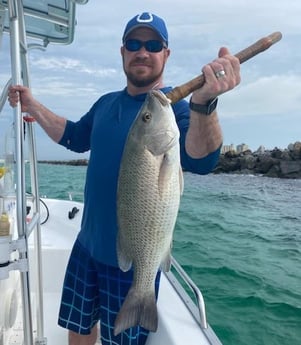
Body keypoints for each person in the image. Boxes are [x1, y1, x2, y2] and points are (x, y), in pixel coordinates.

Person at [8, 12, 240, 345]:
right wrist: (32, 103)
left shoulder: (174, 109)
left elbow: (201, 160)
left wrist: (204, 104)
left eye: (153, 44)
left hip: (136, 257)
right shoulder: (105, 104)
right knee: (79, 326)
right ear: (122, 52)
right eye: (134, 43)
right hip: (87, 244)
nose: (142, 51)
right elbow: (74, 136)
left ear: (166, 53)